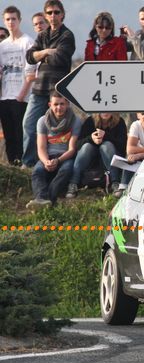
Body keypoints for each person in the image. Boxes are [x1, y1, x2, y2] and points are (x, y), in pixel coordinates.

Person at [22, 0, 75, 168]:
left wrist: (41, 55)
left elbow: (60, 58)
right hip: (39, 88)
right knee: (29, 124)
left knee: (56, 129)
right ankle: (28, 162)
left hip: (57, 91)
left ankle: (55, 162)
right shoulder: (42, 35)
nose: (53, 16)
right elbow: (29, 56)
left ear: (63, 14)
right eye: (50, 13)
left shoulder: (67, 35)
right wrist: (46, 52)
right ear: (45, 15)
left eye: (56, 12)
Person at [26, 91, 80, 209]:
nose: (59, 107)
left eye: (62, 104)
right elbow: (41, 147)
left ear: (67, 104)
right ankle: (41, 198)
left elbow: (72, 149)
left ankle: (47, 200)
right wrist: (46, 161)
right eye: (56, 104)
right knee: (37, 171)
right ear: (50, 105)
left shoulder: (75, 121)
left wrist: (58, 160)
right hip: (47, 156)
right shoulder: (42, 121)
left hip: (65, 157)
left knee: (65, 171)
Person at [0, 6, 35, 165]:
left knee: (20, 132)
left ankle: (22, 163)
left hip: (21, 96)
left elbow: (31, 72)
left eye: (14, 19)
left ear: (19, 20)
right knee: (9, 134)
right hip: (4, 95)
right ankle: (12, 164)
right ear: (4, 21)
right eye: (8, 19)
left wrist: (22, 95)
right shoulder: (3, 46)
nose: (11, 22)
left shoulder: (27, 42)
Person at [66, 113, 127, 198]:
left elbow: (123, 147)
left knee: (106, 145)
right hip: (91, 159)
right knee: (87, 146)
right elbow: (78, 144)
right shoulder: (90, 121)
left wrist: (105, 136)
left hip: (109, 159)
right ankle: (73, 183)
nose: (105, 111)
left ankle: (115, 183)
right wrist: (91, 138)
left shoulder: (119, 122)